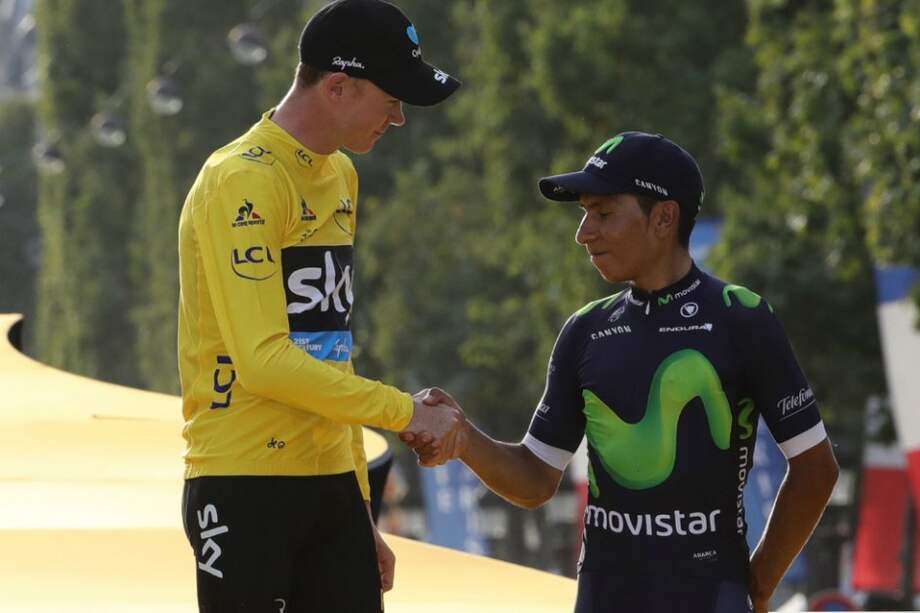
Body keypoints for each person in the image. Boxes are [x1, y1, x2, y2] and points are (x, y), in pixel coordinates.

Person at [403, 132, 840, 613]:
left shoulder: (741, 317)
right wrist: (464, 439)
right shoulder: (585, 329)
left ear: (664, 218)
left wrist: (759, 583)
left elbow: (815, 468)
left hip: (709, 597)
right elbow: (536, 479)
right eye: (584, 213)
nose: (583, 232)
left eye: (603, 213)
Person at [177, 1, 463, 611]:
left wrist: (360, 507)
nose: (399, 118)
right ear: (337, 87)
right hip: (244, 484)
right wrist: (404, 413)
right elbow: (265, 362)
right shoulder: (240, 179)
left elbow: (330, 351)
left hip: (331, 483)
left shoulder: (340, 176)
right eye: (392, 99)